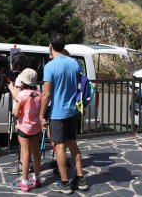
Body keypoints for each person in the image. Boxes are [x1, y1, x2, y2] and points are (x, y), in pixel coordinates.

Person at [40, 32, 88, 194]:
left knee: (59, 147)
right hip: (73, 111)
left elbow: (46, 94)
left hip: (58, 113)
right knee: (73, 144)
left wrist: (41, 115)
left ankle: (65, 182)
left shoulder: (49, 66)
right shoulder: (74, 63)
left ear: (51, 46)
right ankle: (80, 179)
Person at [11, 68, 42, 192]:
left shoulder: (22, 94)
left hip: (24, 127)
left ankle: (24, 181)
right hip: (36, 127)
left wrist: (15, 116)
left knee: (25, 153)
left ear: (23, 82)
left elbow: (17, 112)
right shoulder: (39, 93)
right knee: (36, 152)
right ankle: (37, 178)